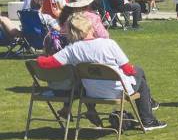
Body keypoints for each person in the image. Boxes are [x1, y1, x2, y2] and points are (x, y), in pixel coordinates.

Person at [37, 12, 166, 131]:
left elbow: (46, 63)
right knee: (140, 76)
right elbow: (127, 68)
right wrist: (132, 71)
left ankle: (148, 107)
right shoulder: (108, 44)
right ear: (90, 27)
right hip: (117, 91)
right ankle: (148, 119)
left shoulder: (72, 49)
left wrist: (38, 58)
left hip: (91, 92)